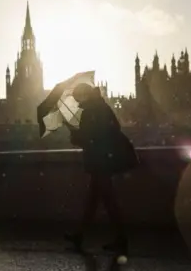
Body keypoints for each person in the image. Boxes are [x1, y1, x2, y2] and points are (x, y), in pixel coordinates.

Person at [64, 83, 139, 255]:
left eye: (77, 98)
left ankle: (120, 239)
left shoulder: (91, 110)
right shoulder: (100, 106)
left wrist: (74, 133)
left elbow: (90, 137)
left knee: (108, 201)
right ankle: (80, 236)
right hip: (103, 160)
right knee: (94, 200)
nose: (76, 102)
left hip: (100, 161)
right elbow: (111, 129)